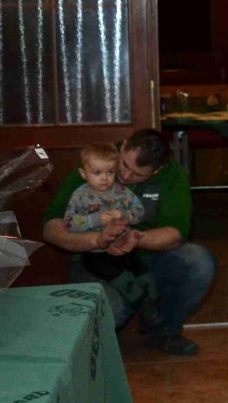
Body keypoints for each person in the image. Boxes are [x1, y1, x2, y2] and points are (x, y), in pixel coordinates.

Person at [43, 129, 216, 356]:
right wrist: (95, 239)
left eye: (137, 175)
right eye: (123, 164)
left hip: (143, 255)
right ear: (123, 146)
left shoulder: (172, 175)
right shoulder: (98, 162)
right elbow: (52, 227)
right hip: (92, 258)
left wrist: (137, 238)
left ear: (157, 170)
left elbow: (175, 233)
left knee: (199, 262)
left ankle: (164, 331)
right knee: (111, 311)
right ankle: (120, 325)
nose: (124, 176)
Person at [64, 142, 160, 331]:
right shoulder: (80, 196)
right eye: (97, 173)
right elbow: (69, 223)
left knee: (144, 274)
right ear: (84, 173)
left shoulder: (122, 192)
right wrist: (95, 219)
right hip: (95, 254)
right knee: (123, 279)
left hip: (125, 248)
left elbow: (140, 212)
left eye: (110, 172)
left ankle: (152, 308)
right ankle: (145, 308)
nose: (104, 178)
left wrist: (125, 215)